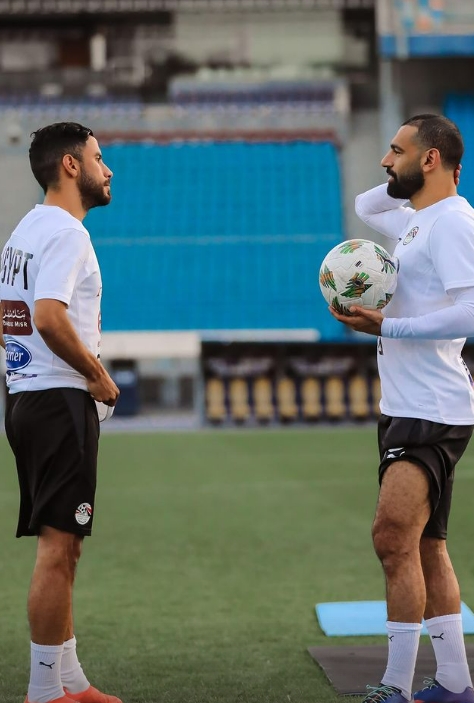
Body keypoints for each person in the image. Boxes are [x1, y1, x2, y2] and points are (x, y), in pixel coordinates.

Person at [330, 114, 474, 703]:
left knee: (392, 538)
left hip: (431, 408)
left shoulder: (453, 222)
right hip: (408, 405)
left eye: (396, 150)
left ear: (431, 159)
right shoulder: (419, 219)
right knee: (426, 545)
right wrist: (405, 179)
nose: (386, 161)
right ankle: (455, 683)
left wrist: (387, 326)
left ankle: (395, 688)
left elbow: (471, 313)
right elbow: (367, 204)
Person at [0, 122, 121, 703]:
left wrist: (23, 371)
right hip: (57, 401)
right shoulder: (68, 233)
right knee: (57, 548)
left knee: (66, 543)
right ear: (71, 166)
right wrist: (96, 376)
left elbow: (10, 316)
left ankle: (69, 679)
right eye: (98, 157)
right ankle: (44, 691)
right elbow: (48, 316)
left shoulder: (26, 229)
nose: (108, 169)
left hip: (27, 396)